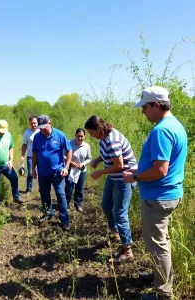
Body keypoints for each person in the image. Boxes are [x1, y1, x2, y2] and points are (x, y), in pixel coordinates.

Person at [123, 86, 187, 300]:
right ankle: (159, 276)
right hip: (167, 194)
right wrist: (139, 170)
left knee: (158, 245)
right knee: (162, 242)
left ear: (157, 105)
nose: (143, 111)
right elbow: (161, 165)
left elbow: (161, 170)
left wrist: (135, 177)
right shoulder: (175, 125)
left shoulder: (161, 130)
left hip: (158, 196)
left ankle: (163, 293)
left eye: (145, 107)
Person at [84, 115, 137, 263]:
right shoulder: (104, 137)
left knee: (119, 212)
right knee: (106, 205)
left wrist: (100, 172)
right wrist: (97, 159)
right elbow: (108, 154)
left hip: (124, 178)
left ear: (99, 129)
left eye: (92, 132)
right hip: (114, 177)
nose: (91, 135)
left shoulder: (112, 140)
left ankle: (127, 251)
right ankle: (115, 235)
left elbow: (119, 165)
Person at [32, 115, 72, 231]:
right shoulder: (37, 137)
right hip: (43, 172)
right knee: (44, 194)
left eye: (44, 127)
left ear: (50, 123)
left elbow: (69, 150)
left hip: (57, 172)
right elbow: (34, 153)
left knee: (60, 195)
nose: (42, 130)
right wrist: (33, 168)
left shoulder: (60, 135)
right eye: (40, 128)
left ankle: (65, 220)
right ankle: (47, 213)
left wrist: (66, 167)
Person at [65, 128, 92, 212]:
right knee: (69, 188)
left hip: (81, 171)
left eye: (82, 136)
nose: (80, 138)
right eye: (78, 136)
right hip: (71, 170)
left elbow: (89, 158)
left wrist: (83, 164)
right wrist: (70, 162)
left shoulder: (87, 146)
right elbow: (63, 155)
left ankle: (78, 204)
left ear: (84, 136)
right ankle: (66, 204)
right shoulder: (69, 143)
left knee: (79, 188)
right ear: (75, 135)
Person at [20, 116, 40, 194]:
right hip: (30, 156)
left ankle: (41, 188)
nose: (33, 125)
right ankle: (29, 189)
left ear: (37, 123)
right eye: (31, 123)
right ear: (29, 124)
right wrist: (22, 156)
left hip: (40, 156)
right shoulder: (27, 133)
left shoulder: (41, 131)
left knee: (41, 172)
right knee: (30, 173)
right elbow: (24, 145)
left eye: (35, 123)